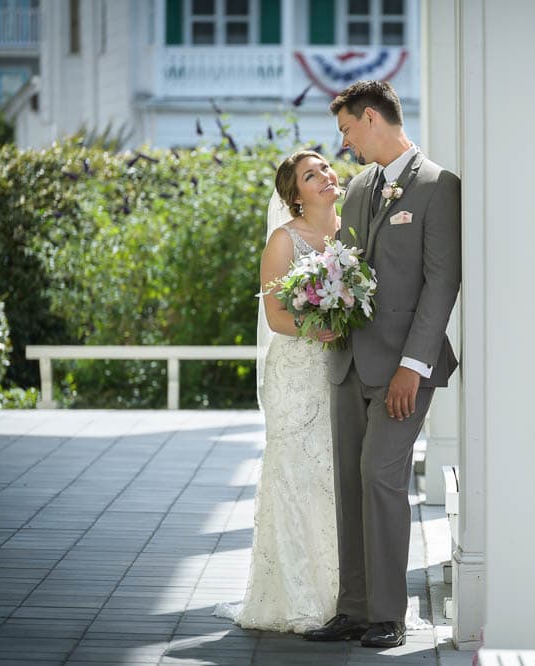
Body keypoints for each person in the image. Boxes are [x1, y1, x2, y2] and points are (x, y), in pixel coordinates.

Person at [302, 80, 461, 648]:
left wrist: (412, 368)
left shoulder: (440, 186)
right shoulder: (361, 186)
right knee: (350, 482)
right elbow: (345, 267)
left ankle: (390, 614)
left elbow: (443, 281)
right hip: (348, 362)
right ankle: (353, 609)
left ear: (371, 118)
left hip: (403, 371)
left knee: (380, 474)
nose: (344, 144)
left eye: (346, 129)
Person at [214, 150, 342, 633]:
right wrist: (323, 327)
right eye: (312, 175)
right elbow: (276, 317)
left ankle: (342, 594)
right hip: (297, 371)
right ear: (293, 196)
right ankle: (297, 596)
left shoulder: (353, 233)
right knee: (295, 472)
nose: (326, 175)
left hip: (343, 369)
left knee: (333, 476)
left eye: (326, 167)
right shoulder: (283, 241)